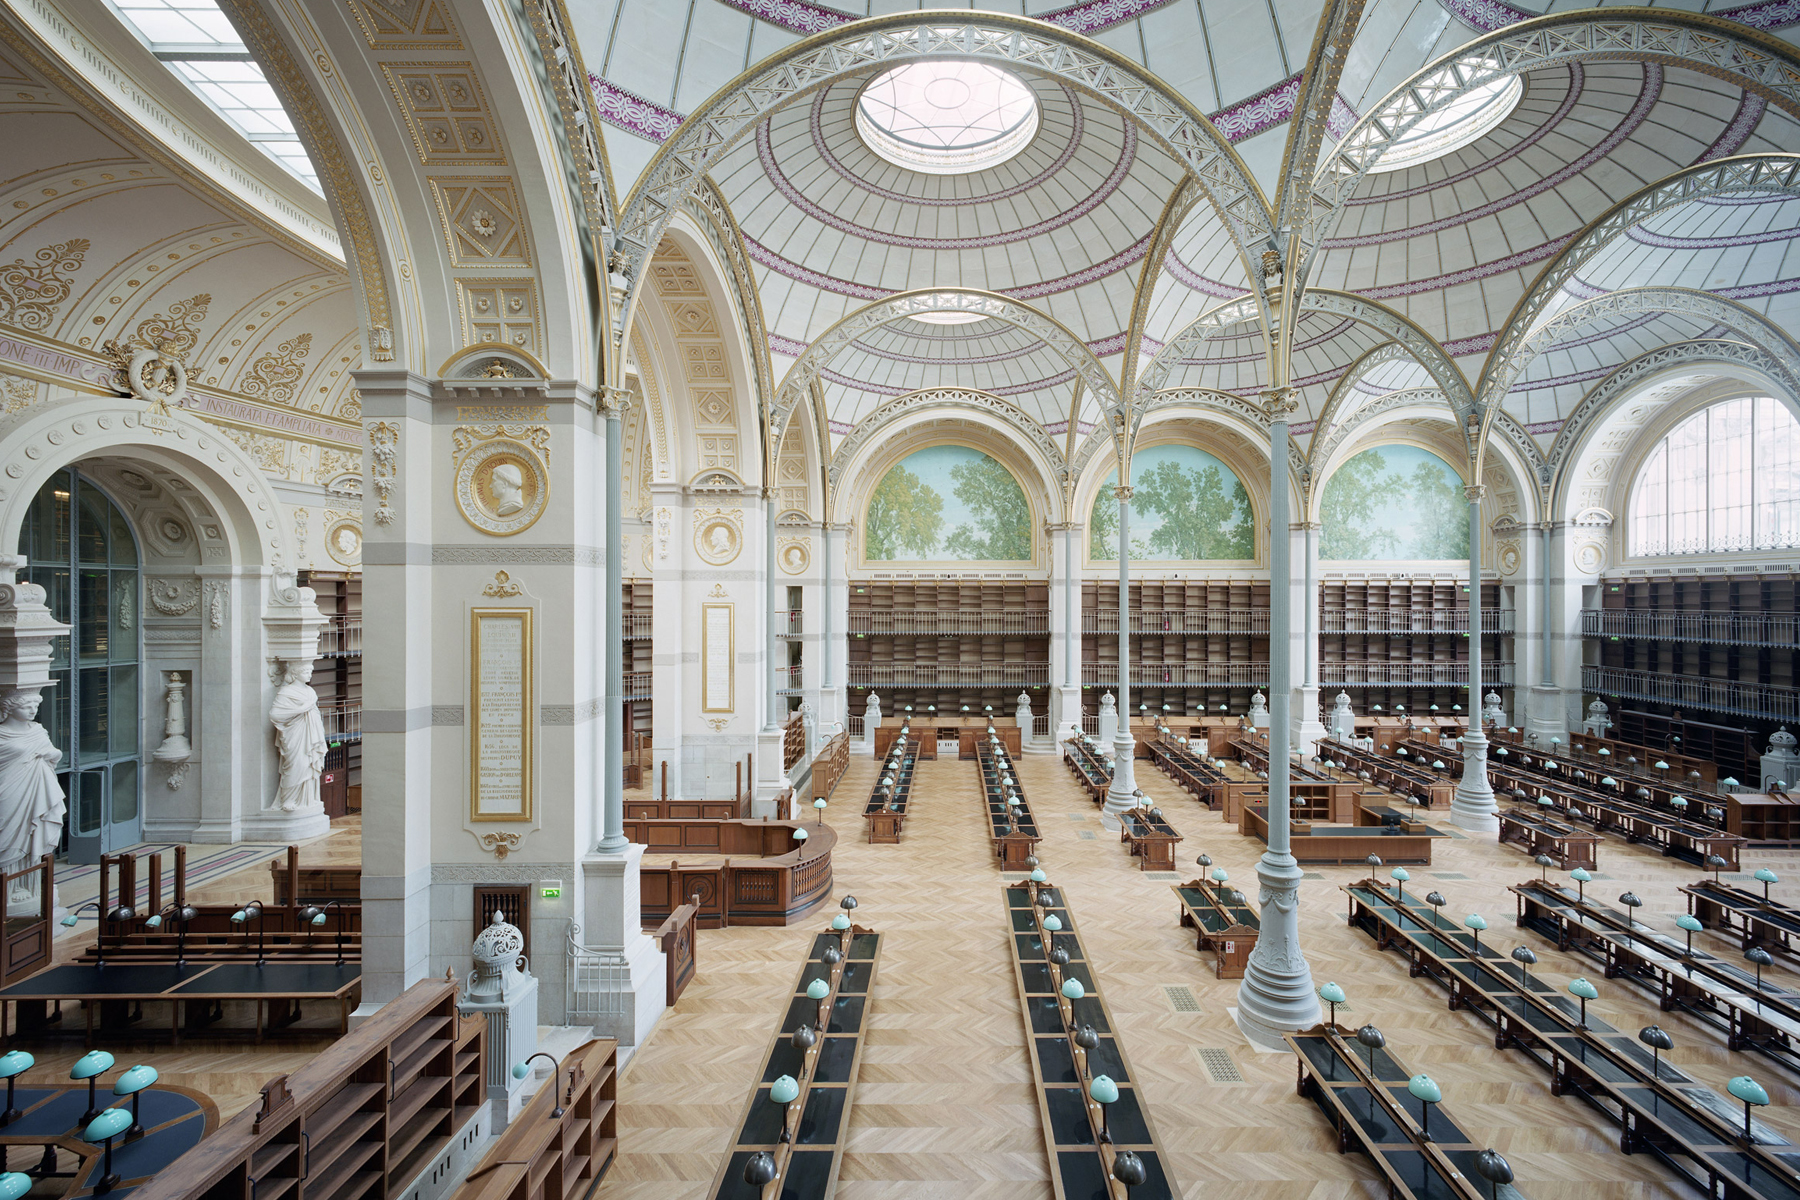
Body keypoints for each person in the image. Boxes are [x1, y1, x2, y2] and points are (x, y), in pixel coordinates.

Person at [0, 689, 63, 903]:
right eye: (26, 706)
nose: (32, 710)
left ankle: (30, 884)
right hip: (8, 791)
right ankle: (8, 888)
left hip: (36, 791)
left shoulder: (38, 730)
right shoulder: (1, 734)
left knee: (32, 834)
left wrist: (48, 754)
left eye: (35, 706)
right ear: (9, 707)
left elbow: (54, 754)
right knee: (9, 838)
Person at [270, 661, 327, 813]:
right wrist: (300, 709)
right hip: (294, 734)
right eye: (306, 672)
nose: (310, 675)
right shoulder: (286, 692)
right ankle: (287, 799)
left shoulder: (310, 692)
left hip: (310, 734)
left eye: (310, 671)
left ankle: (306, 799)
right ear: (295, 673)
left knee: (308, 764)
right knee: (296, 765)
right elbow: (275, 715)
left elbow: (313, 713)